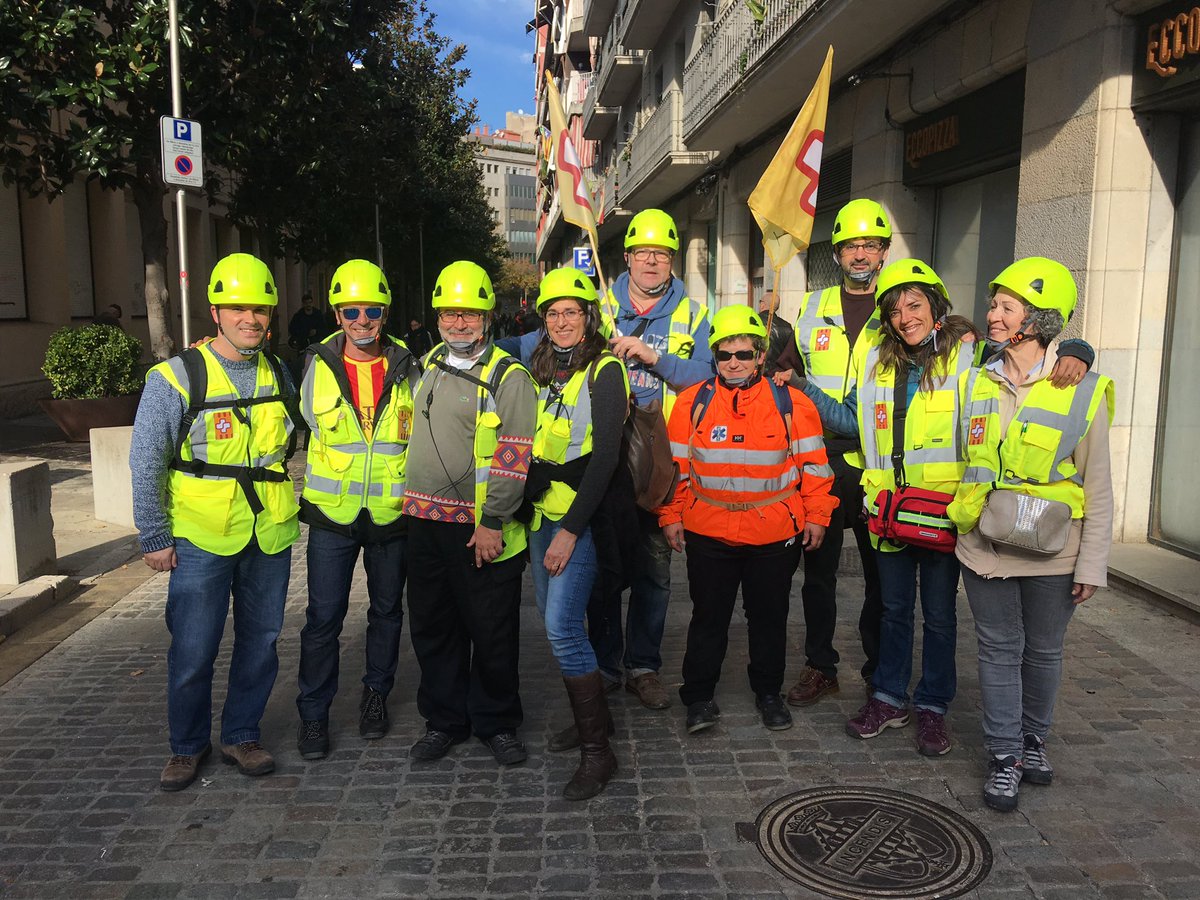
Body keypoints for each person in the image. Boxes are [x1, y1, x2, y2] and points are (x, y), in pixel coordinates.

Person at [499, 209, 713, 710]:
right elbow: (529, 343)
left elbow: (709, 376)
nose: (651, 262)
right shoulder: (595, 304)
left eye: (661, 254)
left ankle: (643, 667)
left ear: (672, 260)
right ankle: (606, 665)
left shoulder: (694, 314)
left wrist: (656, 358)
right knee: (601, 575)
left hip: (659, 468)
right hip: (603, 469)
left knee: (654, 573)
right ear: (628, 258)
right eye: (643, 253)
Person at [947, 257, 1114, 813]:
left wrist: (1092, 564)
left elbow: (1099, 485)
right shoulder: (975, 377)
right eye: (993, 305)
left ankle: (1033, 740)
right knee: (997, 651)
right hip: (985, 547)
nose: (992, 315)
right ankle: (1004, 756)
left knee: (1043, 651)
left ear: (1038, 320)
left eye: (1006, 307)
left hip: (1054, 550)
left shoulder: (1083, 388)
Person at [130, 252, 300, 792]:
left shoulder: (279, 371)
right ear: (216, 313)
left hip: (268, 532)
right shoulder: (176, 377)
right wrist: (153, 534)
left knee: (261, 643)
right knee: (193, 648)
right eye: (238, 309)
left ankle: (241, 735)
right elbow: (146, 458)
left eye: (260, 309)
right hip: (201, 536)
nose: (251, 319)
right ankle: (186, 746)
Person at [797, 260, 979, 755]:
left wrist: (1077, 350)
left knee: (939, 616)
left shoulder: (969, 356)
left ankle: (933, 706)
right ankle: (888, 697)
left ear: (936, 307)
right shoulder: (877, 360)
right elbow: (850, 421)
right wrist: (801, 386)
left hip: (941, 512)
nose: (905, 318)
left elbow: (1026, 365)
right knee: (893, 610)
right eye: (895, 310)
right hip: (888, 511)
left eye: (915, 305)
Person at [659, 305, 835, 734]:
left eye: (743, 354)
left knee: (769, 619)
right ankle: (699, 698)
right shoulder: (691, 403)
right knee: (708, 618)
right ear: (714, 356)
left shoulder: (792, 403)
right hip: (708, 531)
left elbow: (814, 465)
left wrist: (817, 514)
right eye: (725, 354)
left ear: (760, 355)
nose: (734, 363)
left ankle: (769, 694)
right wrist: (670, 515)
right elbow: (676, 469)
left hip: (774, 534)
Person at [401, 260, 537, 765]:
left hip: (481, 529)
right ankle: (444, 720)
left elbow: (514, 454)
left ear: (487, 318)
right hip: (425, 524)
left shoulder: (509, 376)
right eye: (449, 314)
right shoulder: (429, 362)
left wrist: (493, 521)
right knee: (434, 628)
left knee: (492, 631)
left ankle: (497, 722)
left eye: (470, 314)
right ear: (437, 317)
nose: (459, 323)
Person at [294, 260, 418, 760]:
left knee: (387, 612)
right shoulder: (314, 364)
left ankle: (375, 696)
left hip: (390, 513)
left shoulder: (409, 364)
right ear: (337, 314)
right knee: (323, 618)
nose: (362, 321)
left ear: (385, 313)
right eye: (351, 311)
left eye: (371, 311)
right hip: (332, 516)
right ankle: (313, 715)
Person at [772, 198, 891, 707]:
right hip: (819, 462)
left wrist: (1074, 351)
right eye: (851, 246)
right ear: (837, 253)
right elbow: (785, 371)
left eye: (870, 245)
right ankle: (821, 666)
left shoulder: (900, 306)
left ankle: (880, 672)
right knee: (817, 575)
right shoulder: (812, 306)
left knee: (880, 578)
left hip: (878, 464)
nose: (860, 254)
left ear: (884, 252)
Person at [524, 266, 630, 800]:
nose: (562, 321)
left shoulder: (604, 369)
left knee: (563, 628)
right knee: (557, 624)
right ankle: (598, 719)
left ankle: (598, 752)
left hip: (579, 522)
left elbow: (606, 456)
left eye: (571, 312)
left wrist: (569, 530)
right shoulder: (543, 368)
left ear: (588, 317)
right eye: (553, 313)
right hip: (542, 515)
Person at [759, 291, 794, 378]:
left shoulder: (753, 322)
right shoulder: (786, 326)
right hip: (777, 376)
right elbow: (790, 356)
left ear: (762, 305)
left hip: (757, 374)